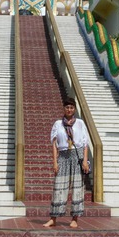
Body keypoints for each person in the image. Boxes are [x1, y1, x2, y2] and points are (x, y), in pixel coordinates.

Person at [43, 98, 90, 228]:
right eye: (67, 107)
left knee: (77, 188)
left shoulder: (80, 123)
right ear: (64, 108)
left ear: (74, 109)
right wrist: (55, 161)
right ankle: (53, 218)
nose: (69, 109)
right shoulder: (57, 124)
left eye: (71, 107)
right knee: (58, 187)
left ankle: (75, 218)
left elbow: (85, 143)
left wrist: (85, 161)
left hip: (77, 156)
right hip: (63, 156)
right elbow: (54, 144)